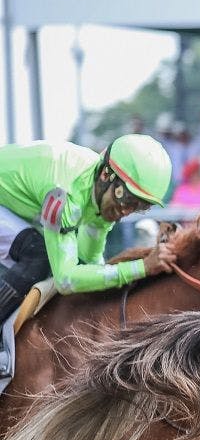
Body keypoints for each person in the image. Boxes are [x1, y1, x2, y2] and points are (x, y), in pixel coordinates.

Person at [0, 134, 177, 326]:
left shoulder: (102, 198)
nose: (126, 211)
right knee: (39, 253)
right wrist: (142, 267)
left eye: (139, 206)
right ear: (105, 175)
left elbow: (90, 264)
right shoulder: (65, 192)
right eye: (125, 198)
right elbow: (66, 279)